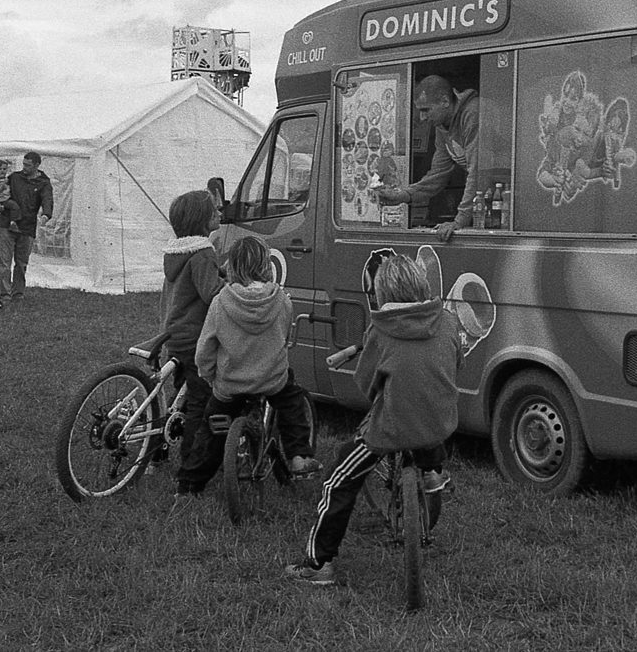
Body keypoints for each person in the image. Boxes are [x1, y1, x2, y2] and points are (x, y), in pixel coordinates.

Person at [285, 253, 461, 586]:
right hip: (441, 423)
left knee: (339, 480)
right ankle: (432, 470)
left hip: (390, 428)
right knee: (425, 419)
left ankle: (318, 564)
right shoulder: (448, 321)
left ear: (381, 292)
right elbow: (457, 362)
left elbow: (366, 384)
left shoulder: (381, 330)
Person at [181, 235, 321, 496]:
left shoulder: (221, 302)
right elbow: (284, 338)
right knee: (292, 406)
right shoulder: (282, 301)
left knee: (208, 434)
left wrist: (208, 374)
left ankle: (189, 485)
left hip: (230, 383)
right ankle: (299, 454)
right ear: (267, 265)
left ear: (232, 266)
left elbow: (205, 349)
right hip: (271, 380)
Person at [160, 190, 226, 498]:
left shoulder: (177, 252)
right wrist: (236, 288)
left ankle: (158, 449)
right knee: (201, 402)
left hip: (175, 334)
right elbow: (211, 292)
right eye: (214, 209)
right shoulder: (203, 253)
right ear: (203, 220)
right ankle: (190, 466)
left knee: (182, 397)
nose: (219, 211)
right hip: (196, 336)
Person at [376, 75, 479, 242]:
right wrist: (402, 195)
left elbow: (478, 172)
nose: (423, 117)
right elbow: (438, 174)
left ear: (445, 101)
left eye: (426, 109)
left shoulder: (472, 113)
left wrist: (459, 222)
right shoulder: (442, 125)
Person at [0, 151, 53, 304]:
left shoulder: (44, 183)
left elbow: (48, 199)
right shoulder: (14, 177)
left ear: (37, 165)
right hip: (6, 224)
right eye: (24, 164)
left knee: (21, 263)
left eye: (28, 165)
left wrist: (46, 215)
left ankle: (18, 294)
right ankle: (5, 295)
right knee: (4, 262)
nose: (24, 168)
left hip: (27, 226)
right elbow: (0, 188)